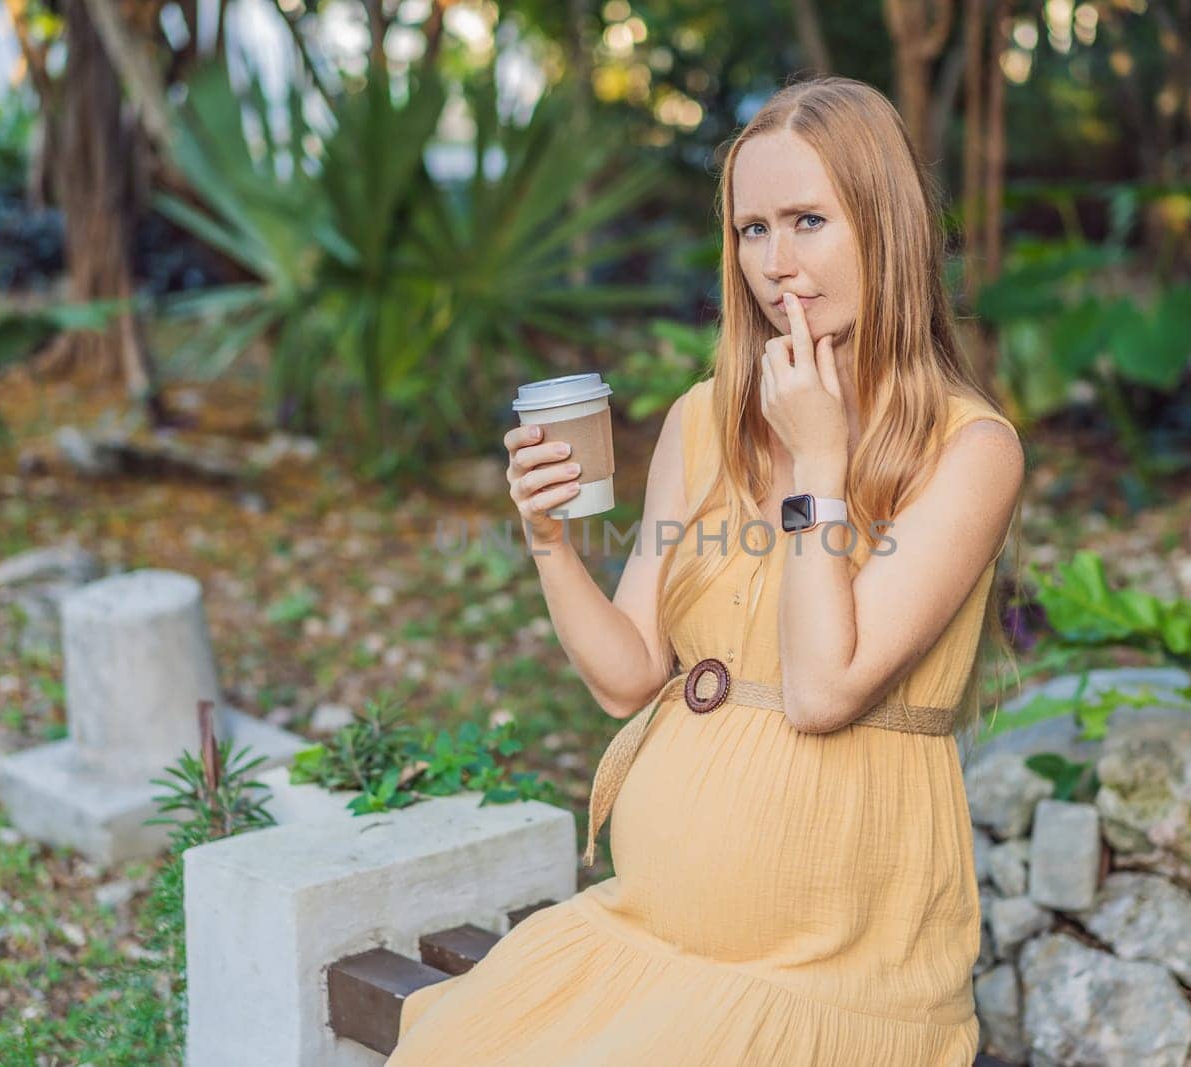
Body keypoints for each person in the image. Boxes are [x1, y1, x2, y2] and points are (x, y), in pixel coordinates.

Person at [385, 73, 1026, 1066]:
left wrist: (818, 461)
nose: (776, 263)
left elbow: (821, 690)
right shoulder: (702, 418)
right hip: (648, 933)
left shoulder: (967, 449)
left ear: (885, 226)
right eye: (751, 229)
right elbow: (626, 673)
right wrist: (549, 538)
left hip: (826, 972)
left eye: (808, 221)